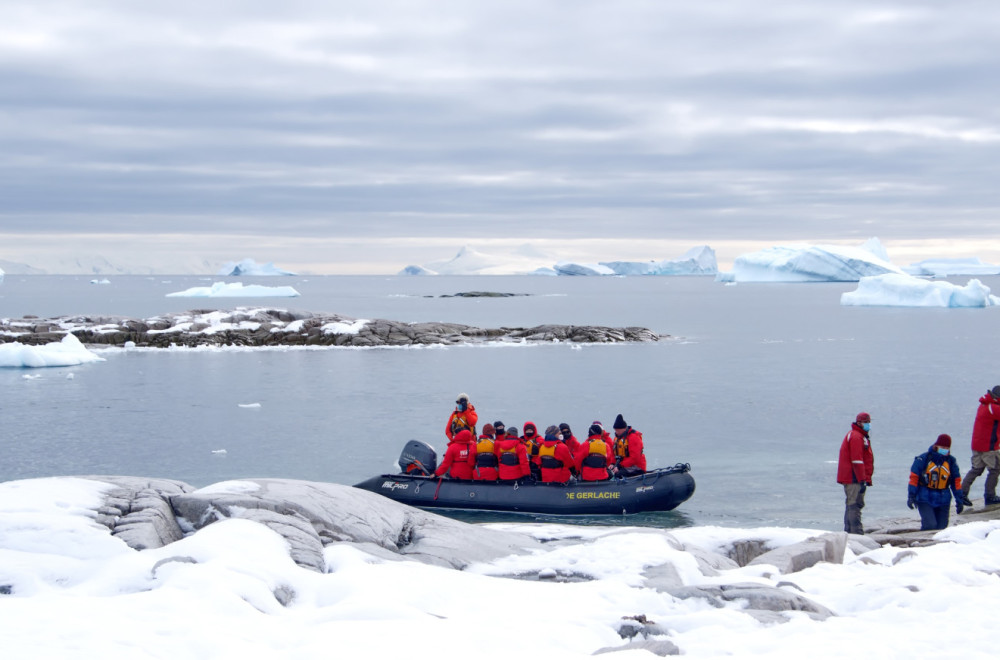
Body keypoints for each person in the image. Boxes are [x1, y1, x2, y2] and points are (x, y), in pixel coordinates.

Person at [907, 434, 964, 530]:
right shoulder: (923, 459)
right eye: (942, 447)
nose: (944, 449)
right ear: (936, 446)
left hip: (944, 499)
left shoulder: (951, 462)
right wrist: (911, 496)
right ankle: (924, 543)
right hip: (924, 498)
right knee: (930, 525)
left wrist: (959, 500)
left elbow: (956, 482)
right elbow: (914, 478)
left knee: (942, 528)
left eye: (947, 447)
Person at [959, 385, 1000, 506]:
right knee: (995, 469)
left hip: (977, 444)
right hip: (989, 446)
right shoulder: (994, 408)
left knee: (977, 469)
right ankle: (990, 496)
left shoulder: (984, 405)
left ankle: (962, 493)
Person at [837, 412, 875, 535]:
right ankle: (855, 532)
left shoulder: (857, 436)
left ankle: (849, 531)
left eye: (869, 422)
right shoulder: (856, 437)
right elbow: (857, 460)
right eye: (866, 422)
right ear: (859, 423)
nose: (868, 424)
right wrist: (862, 479)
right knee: (854, 505)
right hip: (853, 478)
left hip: (853, 477)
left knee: (851, 504)